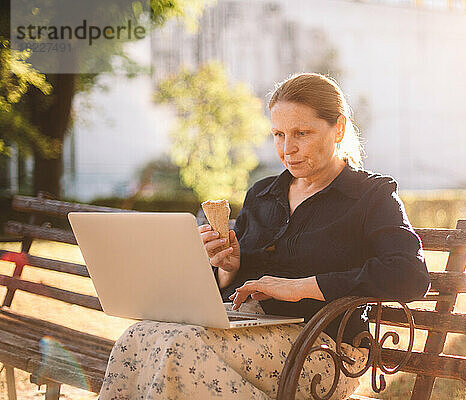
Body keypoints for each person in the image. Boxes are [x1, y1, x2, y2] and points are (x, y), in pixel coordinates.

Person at [98, 73, 430, 400]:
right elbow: (235, 284)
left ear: (338, 129)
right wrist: (227, 267)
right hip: (248, 332)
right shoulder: (263, 194)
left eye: (302, 133)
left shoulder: (371, 196)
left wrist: (299, 287)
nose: (288, 149)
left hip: (323, 349)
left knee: (182, 348)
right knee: (139, 335)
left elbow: (410, 275)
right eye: (278, 134)